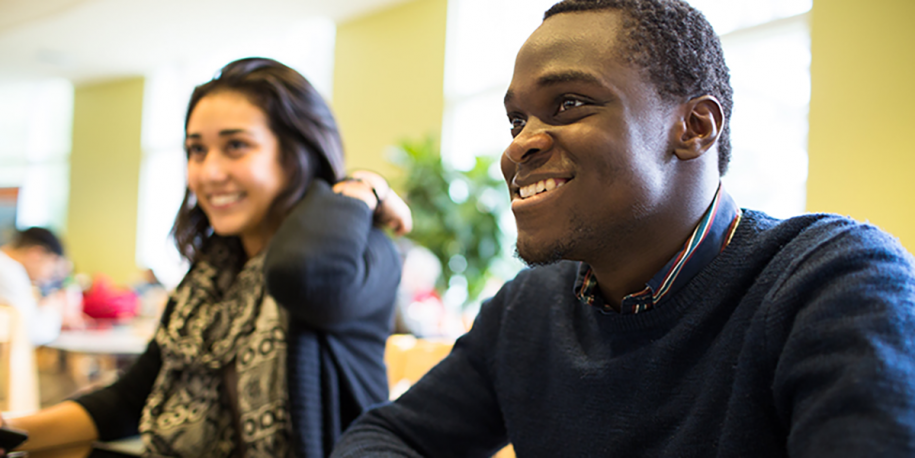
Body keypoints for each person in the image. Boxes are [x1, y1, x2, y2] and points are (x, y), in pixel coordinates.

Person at [330, 1, 915, 457]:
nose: (519, 145)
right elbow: (389, 437)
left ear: (695, 127)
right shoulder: (528, 310)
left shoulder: (833, 279)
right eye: (517, 118)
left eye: (570, 103)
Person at [2, 57, 412, 458]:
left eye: (236, 146)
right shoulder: (211, 275)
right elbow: (129, 400)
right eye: (196, 150)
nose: (209, 171)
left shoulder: (361, 253)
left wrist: (357, 187)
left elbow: (302, 276)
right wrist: (12, 432)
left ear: (294, 155)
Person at [0, 227, 66, 345]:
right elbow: (31, 333)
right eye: (52, 267)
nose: (48, 277)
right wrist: (51, 308)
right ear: (37, 254)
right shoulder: (11, 272)